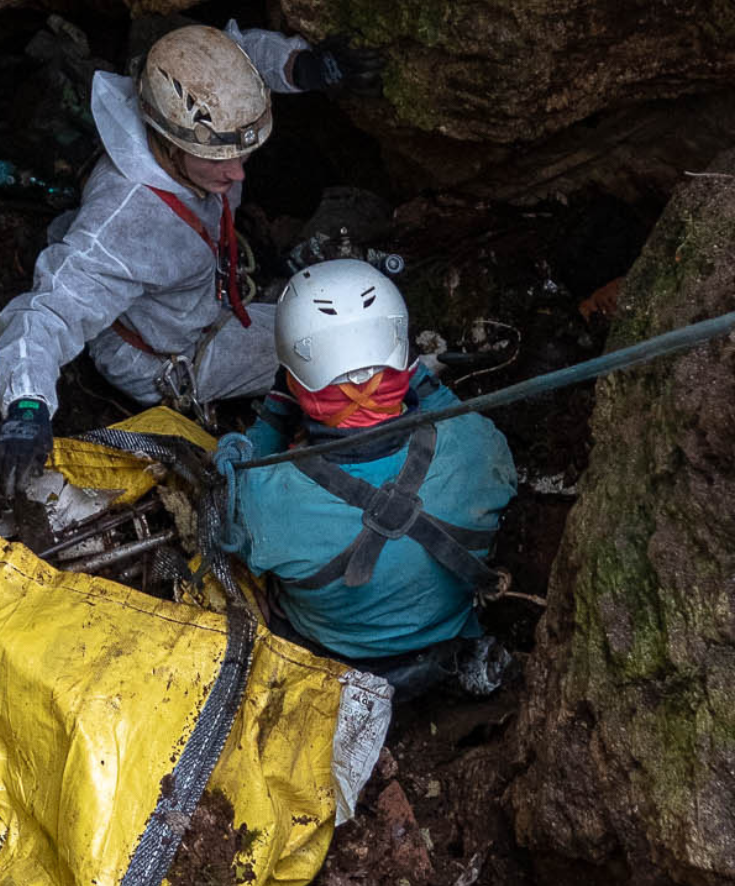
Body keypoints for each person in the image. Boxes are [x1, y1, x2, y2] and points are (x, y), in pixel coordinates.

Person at [0, 22, 382, 497]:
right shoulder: (125, 222)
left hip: (197, 292)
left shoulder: (185, 93)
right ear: (169, 143)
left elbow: (240, 57)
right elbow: (48, 310)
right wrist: (27, 407)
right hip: (168, 353)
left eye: (244, 154)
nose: (237, 172)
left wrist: (299, 67)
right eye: (219, 160)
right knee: (342, 343)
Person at [218, 259, 518, 698]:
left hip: (332, 658)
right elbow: (453, 412)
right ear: (402, 359)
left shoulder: (264, 496)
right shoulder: (478, 444)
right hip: (445, 642)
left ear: (298, 382)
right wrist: (418, 376)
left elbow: (243, 473)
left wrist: (278, 405)